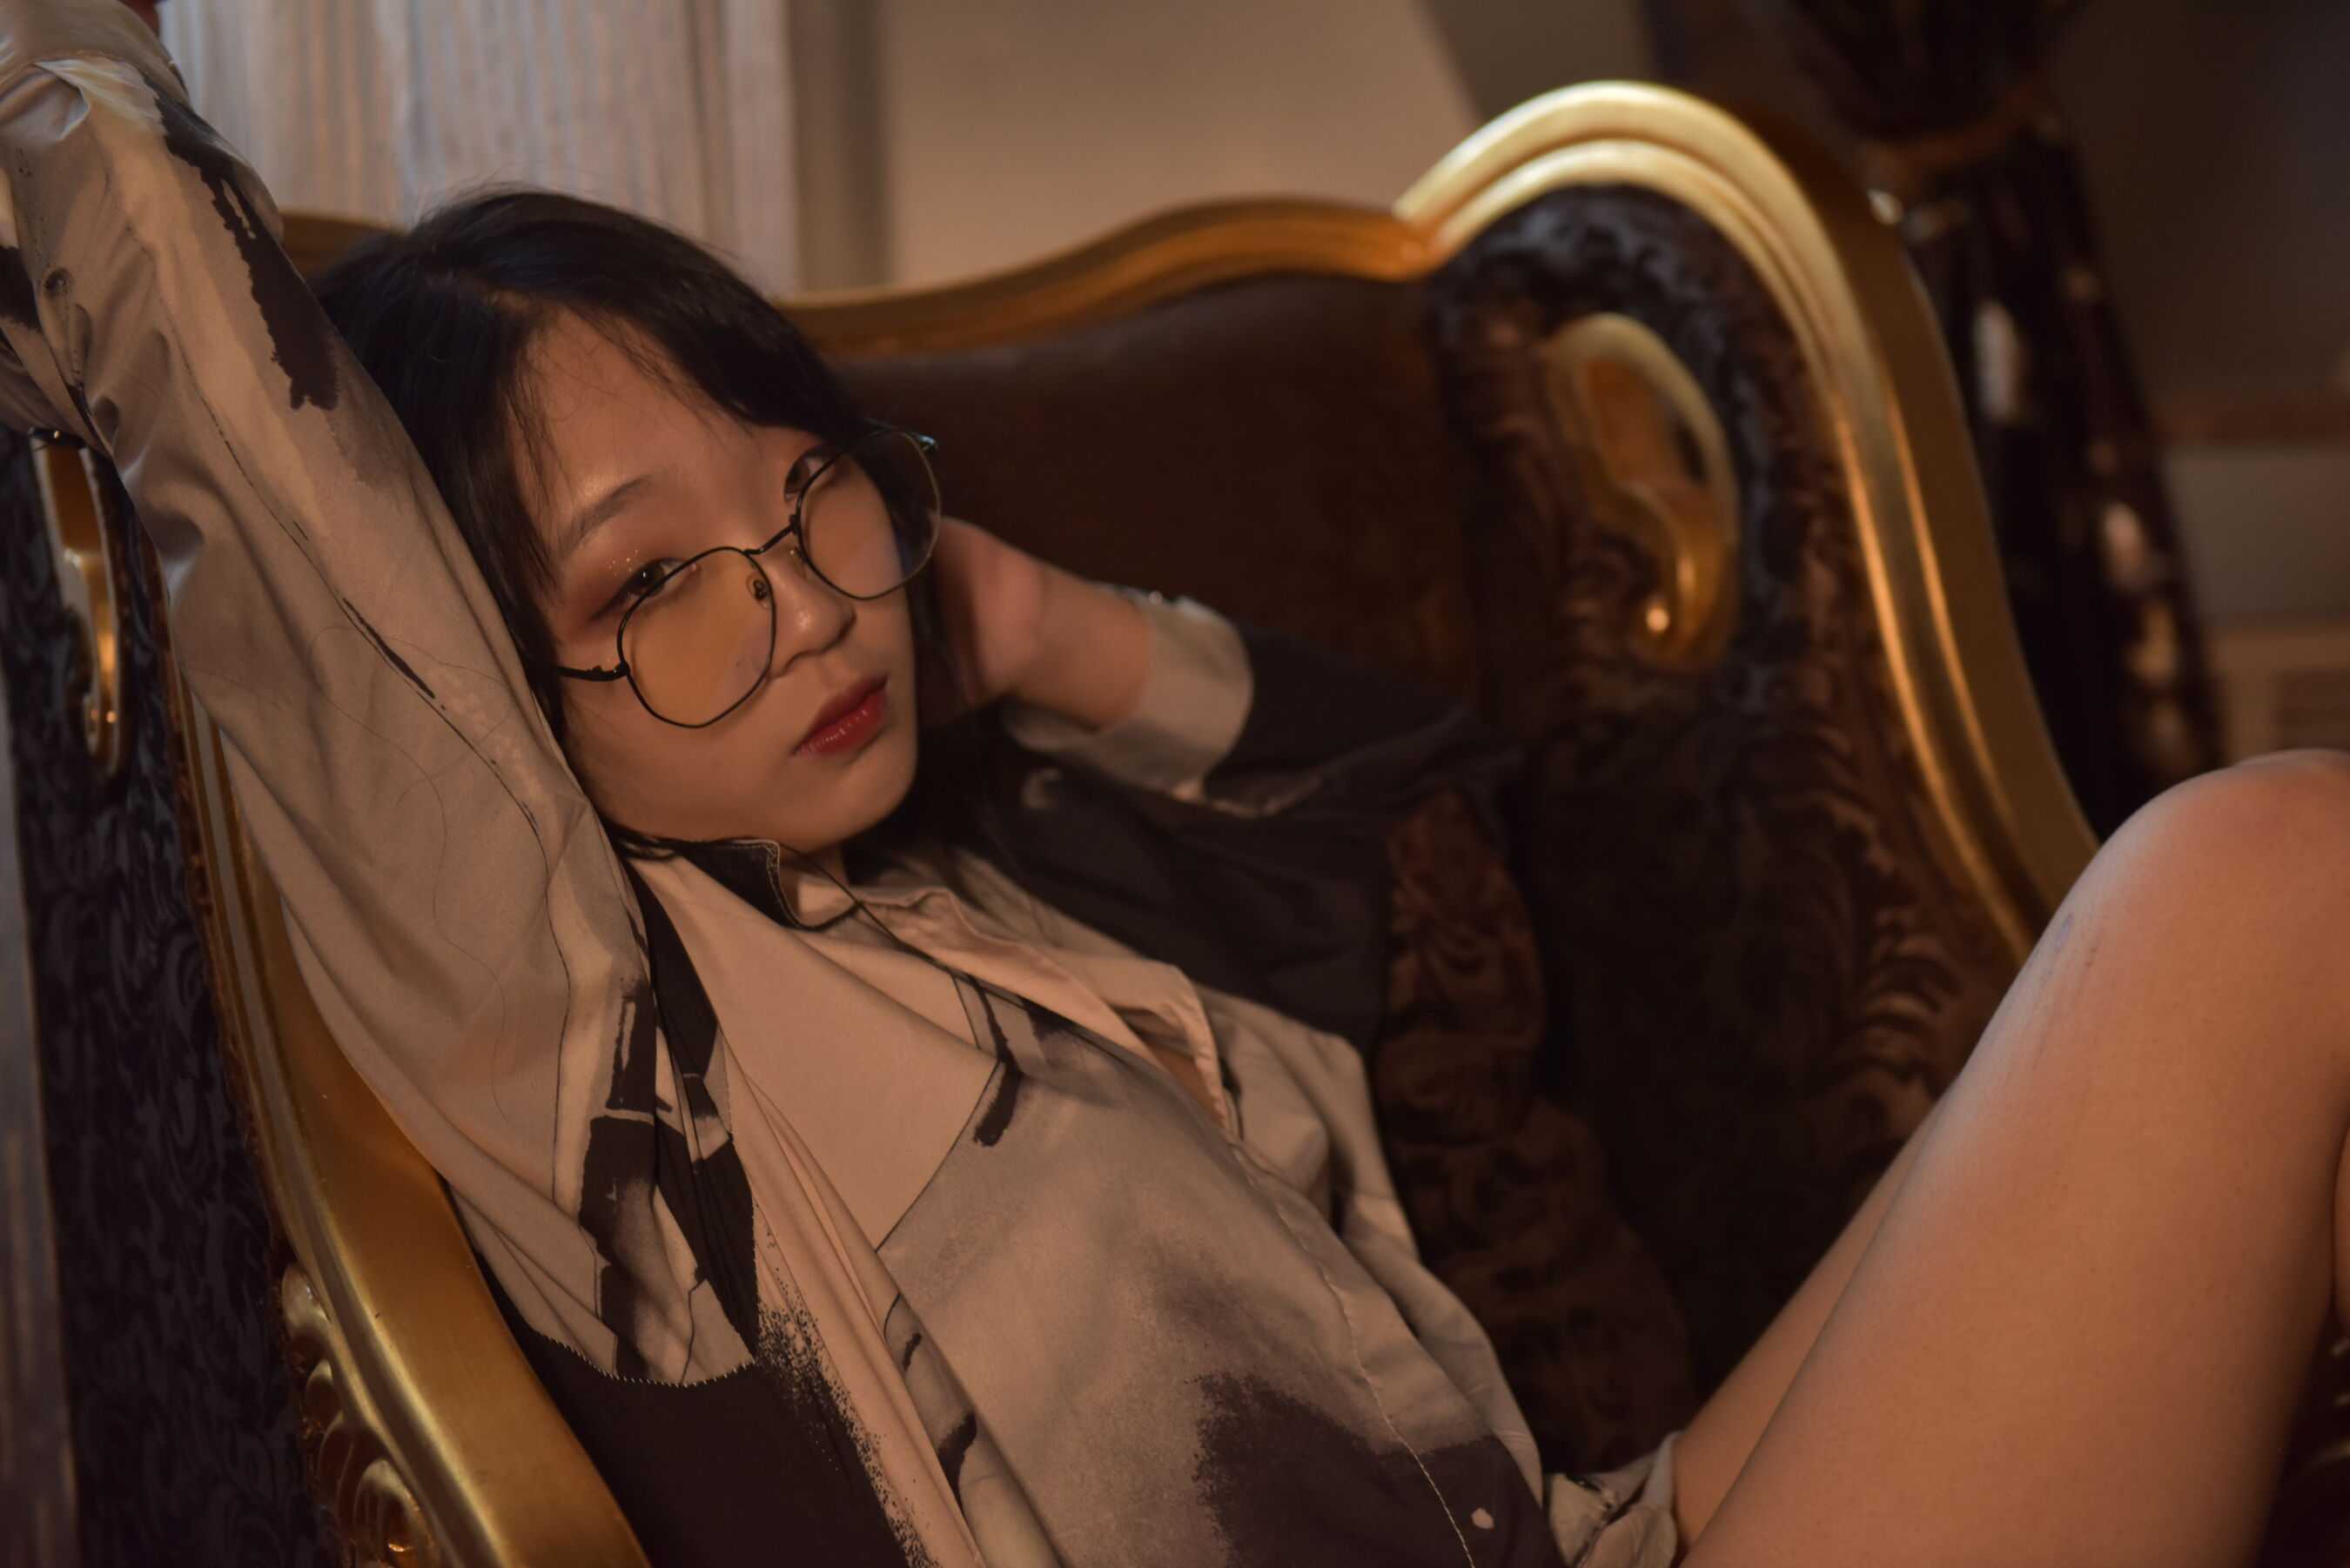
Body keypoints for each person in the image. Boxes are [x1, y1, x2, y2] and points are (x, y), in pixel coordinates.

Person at [5, 4, 2349, 1565]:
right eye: (655, 582)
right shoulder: (606, 1074)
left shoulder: (979, 878)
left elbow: (1422, 804)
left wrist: (1019, 621)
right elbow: (216, 387)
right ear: (496, 704)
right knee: (2251, 875)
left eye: (804, 483)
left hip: (1586, 1532)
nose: (800, 604)